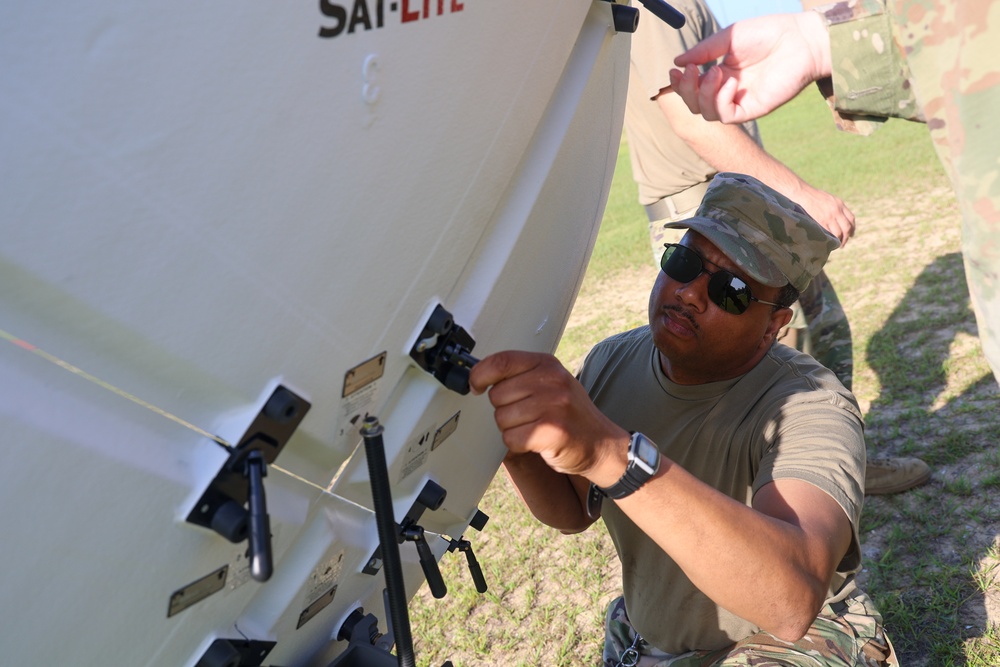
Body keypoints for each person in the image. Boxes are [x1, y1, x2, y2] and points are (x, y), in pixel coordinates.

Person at [470, 173, 897, 665]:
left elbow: (792, 601)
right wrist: (517, 449)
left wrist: (614, 455)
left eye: (731, 290)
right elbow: (574, 511)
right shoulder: (613, 361)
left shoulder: (812, 405)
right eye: (684, 261)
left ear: (775, 326)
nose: (690, 293)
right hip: (653, 636)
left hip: (787, 641)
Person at [624, 0, 929, 495]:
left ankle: (837, 464)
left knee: (813, 334)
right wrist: (799, 193)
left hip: (733, 197)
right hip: (710, 206)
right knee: (758, 369)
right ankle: (784, 498)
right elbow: (687, 117)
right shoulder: (656, 5)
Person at [668, 1, 1000, 387]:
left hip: (745, 203)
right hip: (711, 209)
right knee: (745, 376)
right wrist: (819, 43)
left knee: (799, 354)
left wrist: (820, 43)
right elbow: (684, 113)